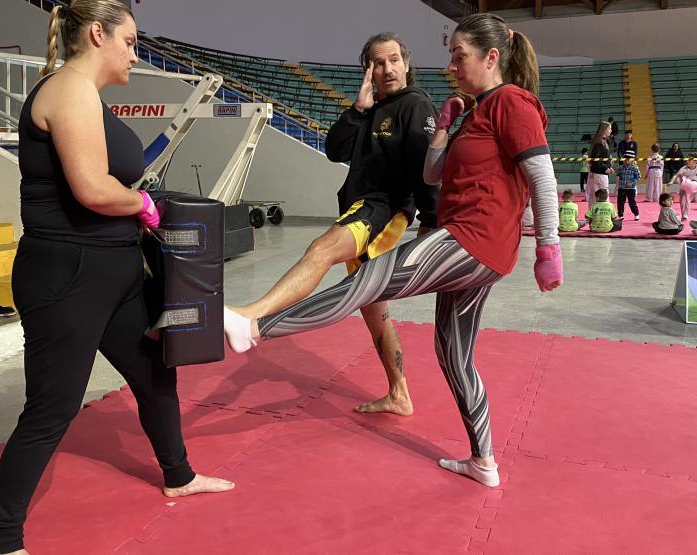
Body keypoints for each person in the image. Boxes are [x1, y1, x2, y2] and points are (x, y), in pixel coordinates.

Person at [224, 13, 562, 488]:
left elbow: (542, 178)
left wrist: (549, 247)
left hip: (471, 238)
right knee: (454, 354)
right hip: (475, 247)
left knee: (367, 281)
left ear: (491, 58)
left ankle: (255, 327)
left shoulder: (511, 101)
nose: (451, 66)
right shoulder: (476, 110)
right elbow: (432, 174)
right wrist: (445, 129)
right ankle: (483, 460)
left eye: (459, 56)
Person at [0, 3, 233, 554]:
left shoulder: (89, 97)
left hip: (114, 268)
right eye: (130, 41)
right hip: (69, 272)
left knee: (155, 373)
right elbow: (93, 189)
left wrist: (142, 214)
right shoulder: (68, 89)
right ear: (98, 34)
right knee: (53, 407)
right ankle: (5, 539)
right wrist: (146, 206)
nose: (135, 54)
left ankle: (179, 475)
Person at [227, 33, 438, 416]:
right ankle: (399, 394)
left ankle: (252, 314)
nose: (388, 68)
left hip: (383, 209)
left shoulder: (415, 104)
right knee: (374, 311)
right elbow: (334, 150)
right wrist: (358, 109)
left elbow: (427, 169)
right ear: (368, 71)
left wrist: (431, 223)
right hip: (363, 206)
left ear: (406, 64)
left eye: (394, 59)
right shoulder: (373, 108)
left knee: (321, 250)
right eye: (378, 63)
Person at [670, 153, 697, 221]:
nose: (687, 161)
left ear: (695, 161)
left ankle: (683, 180)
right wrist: (671, 181)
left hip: (695, 184)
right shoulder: (684, 168)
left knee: (688, 185)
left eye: (690, 159)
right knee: (683, 198)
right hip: (685, 185)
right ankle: (684, 215)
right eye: (687, 159)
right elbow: (676, 175)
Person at [586, 122, 614, 207]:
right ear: (604, 130)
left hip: (599, 173)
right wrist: (605, 168)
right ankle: (604, 213)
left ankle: (593, 213)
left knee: (595, 196)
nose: (611, 130)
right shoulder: (599, 143)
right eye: (609, 129)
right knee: (603, 196)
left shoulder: (602, 142)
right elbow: (596, 160)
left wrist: (609, 167)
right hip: (599, 174)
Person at [615, 150, 640, 220]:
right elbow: (618, 175)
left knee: (632, 202)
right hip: (622, 188)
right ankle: (620, 215)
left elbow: (638, 177)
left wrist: (632, 183)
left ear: (632, 159)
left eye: (628, 159)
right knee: (620, 202)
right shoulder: (620, 167)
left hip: (631, 188)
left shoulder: (635, 168)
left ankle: (636, 214)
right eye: (625, 158)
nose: (626, 160)